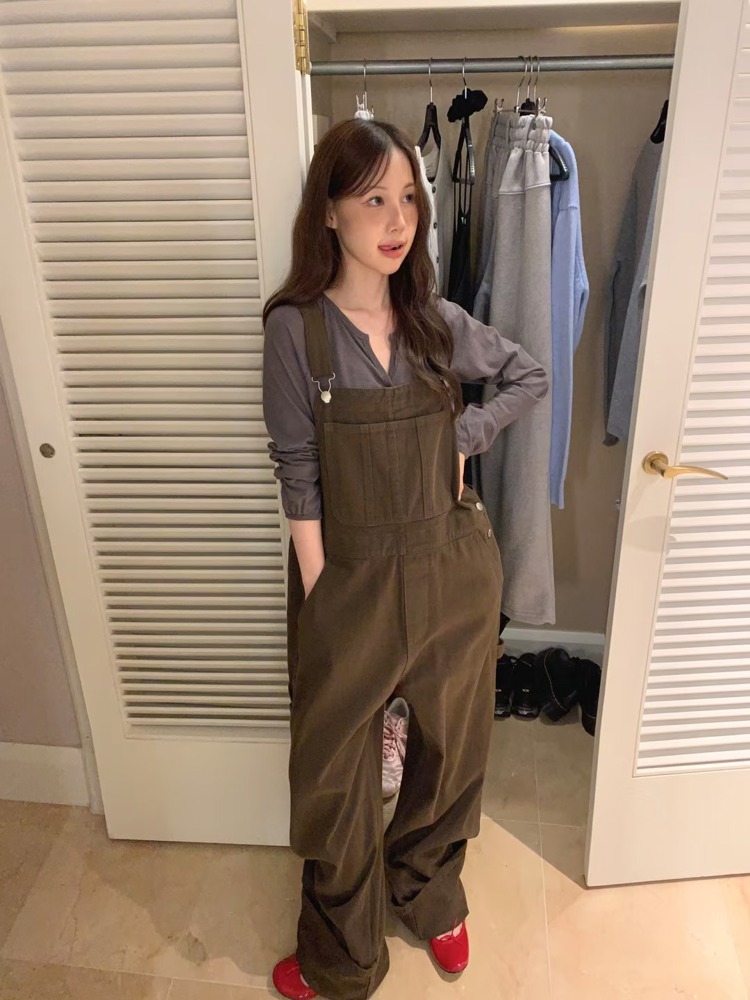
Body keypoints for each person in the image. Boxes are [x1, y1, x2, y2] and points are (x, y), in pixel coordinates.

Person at [262, 117, 548, 1000]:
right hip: (344, 578)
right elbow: (297, 470)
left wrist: (466, 431)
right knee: (335, 774)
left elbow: (529, 375)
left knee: (450, 751)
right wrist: (324, 597)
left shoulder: (434, 324)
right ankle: (342, 953)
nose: (398, 221)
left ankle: (428, 892)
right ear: (329, 213)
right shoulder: (297, 331)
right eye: (373, 200)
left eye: (409, 200)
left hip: (451, 570)